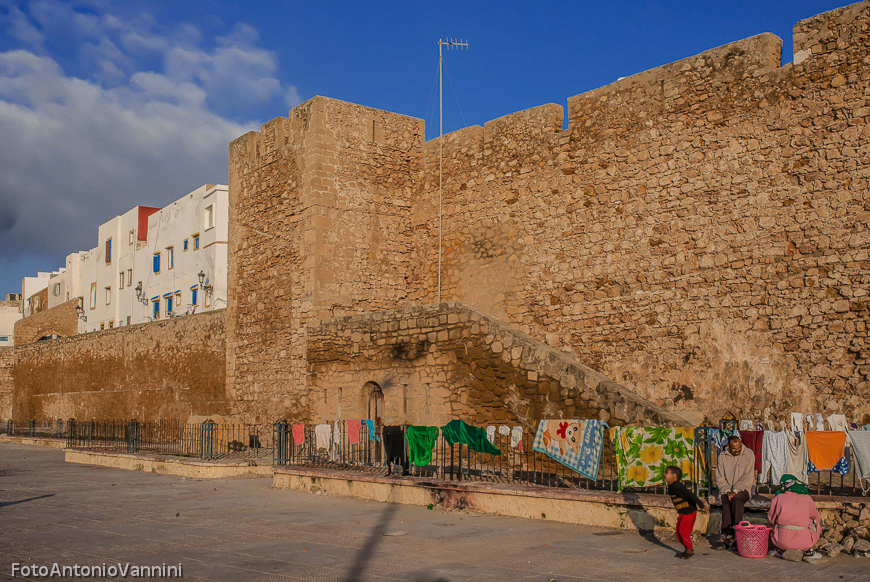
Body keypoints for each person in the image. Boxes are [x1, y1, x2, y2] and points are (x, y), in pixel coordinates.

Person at [714, 435, 756, 550]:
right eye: (734, 448)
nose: (737, 450)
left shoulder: (749, 454)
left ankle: (737, 533)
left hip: (744, 489)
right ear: (728, 446)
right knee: (726, 501)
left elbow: (747, 477)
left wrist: (735, 491)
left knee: (737, 499)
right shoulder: (722, 457)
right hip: (726, 489)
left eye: (739, 447)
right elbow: (720, 477)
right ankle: (725, 534)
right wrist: (727, 491)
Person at [768, 474, 821, 557]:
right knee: (817, 521)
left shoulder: (778, 498)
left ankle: (781, 550)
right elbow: (817, 517)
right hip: (805, 543)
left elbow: (771, 519)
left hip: (781, 542)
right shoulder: (807, 499)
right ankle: (808, 549)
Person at [665, 465, 710, 559]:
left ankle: (689, 550)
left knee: (683, 532)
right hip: (684, 512)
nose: (664, 474)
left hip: (689, 512)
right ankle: (686, 549)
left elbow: (691, 496)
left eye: (667, 473)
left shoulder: (677, 486)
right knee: (678, 532)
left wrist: (702, 506)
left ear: (674, 476)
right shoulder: (672, 486)